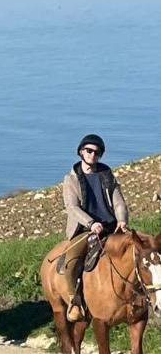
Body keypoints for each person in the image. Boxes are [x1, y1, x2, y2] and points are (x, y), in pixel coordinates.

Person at [62, 134, 129, 321]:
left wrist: (122, 219)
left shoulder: (107, 176)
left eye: (97, 152)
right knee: (71, 262)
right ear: (81, 152)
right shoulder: (71, 179)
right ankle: (74, 301)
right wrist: (91, 223)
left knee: (142, 251)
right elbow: (72, 207)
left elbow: (119, 203)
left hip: (111, 227)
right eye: (89, 151)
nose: (93, 155)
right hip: (84, 229)